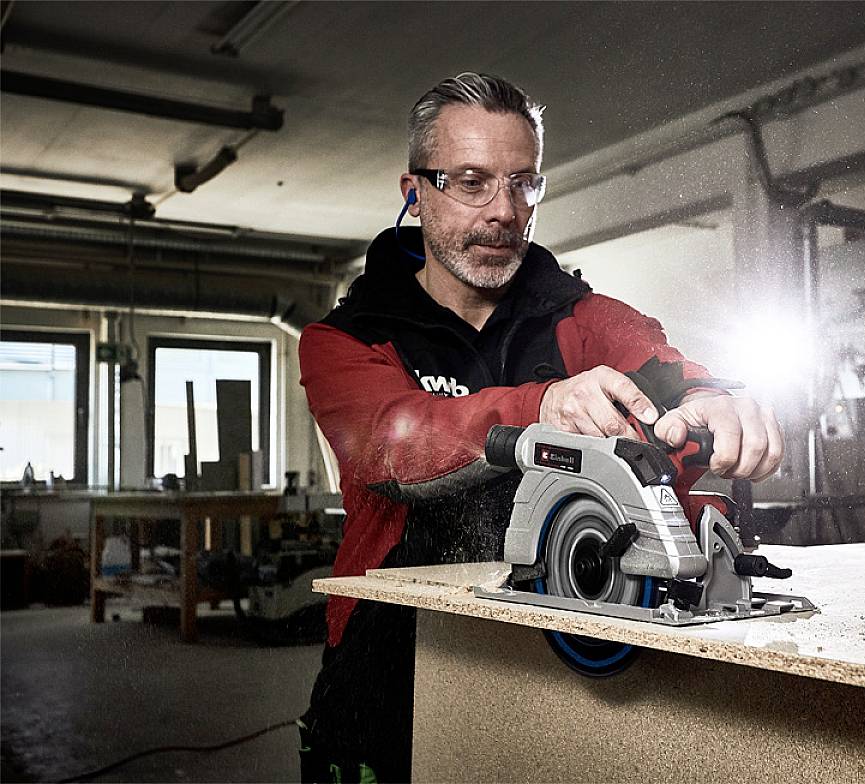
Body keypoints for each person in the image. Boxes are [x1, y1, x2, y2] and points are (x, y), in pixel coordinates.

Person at [297, 72, 784, 783]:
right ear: (414, 192)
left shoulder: (580, 315)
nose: (503, 211)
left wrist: (712, 401)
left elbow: (663, 365)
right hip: (390, 668)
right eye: (470, 181)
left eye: (523, 184)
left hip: (566, 662)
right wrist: (542, 408)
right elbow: (390, 442)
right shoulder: (346, 337)